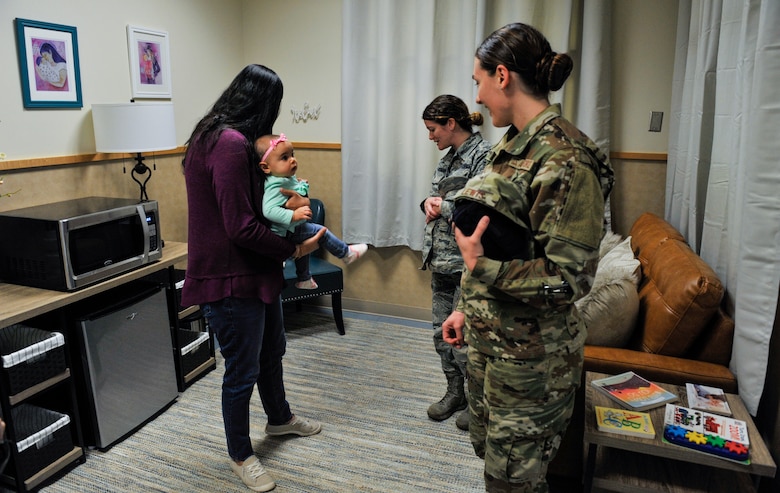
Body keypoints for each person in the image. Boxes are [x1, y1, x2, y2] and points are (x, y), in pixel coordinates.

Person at [442, 23, 614, 492]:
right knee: (493, 462)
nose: (475, 97)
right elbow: (499, 241)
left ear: (502, 76)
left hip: (532, 366)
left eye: (477, 81)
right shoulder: (511, 146)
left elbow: (567, 279)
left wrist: (483, 268)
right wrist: (465, 306)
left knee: (513, 483)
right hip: (492, 345)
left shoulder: (567, 158)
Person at [181, 64, 325, 493]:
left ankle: (279, 419)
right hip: (231, 276)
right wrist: (294, 249)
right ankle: (241, 454)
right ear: (262, 104)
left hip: (255, 269)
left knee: (271, 351)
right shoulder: (226, 143)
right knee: (242, 371)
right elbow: (240, 225)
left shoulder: (223, 136)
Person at [419, 95, 491, 430]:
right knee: (440, 334)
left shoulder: (483, 156)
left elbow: (483, 210)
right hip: (442, 259)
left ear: (451, 123)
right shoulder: (448, 158)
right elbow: (438, 199)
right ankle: (454, 392)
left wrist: (442, 207)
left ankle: (478, 403)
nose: (431, 136)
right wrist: (428, 204)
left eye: (433, 129)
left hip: (467, 263)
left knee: (465, 340)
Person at [256, 133, 368, 289]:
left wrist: (302, 186)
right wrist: (293, 215)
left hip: (291, 228)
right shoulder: (276, 184)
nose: (292, 160)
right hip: (286, 232)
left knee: (305, 244)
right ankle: (345, 253)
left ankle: (304, 278)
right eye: (284, 158)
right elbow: (268, 210)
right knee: (320, 232)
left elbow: (295, 193)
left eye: (292, 155)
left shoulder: (284, 177)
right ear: (266, 167)